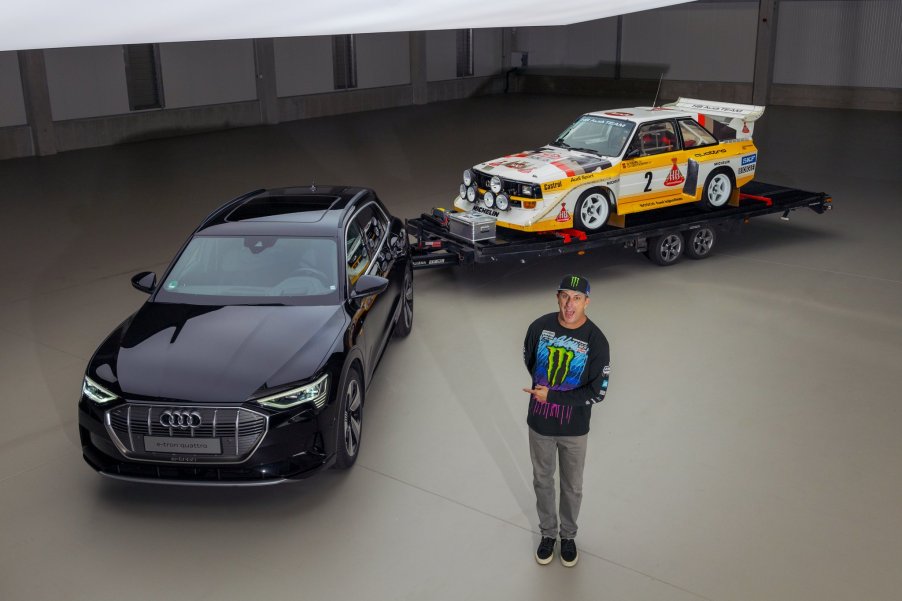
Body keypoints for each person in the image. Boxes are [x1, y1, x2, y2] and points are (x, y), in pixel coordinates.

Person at [522, 274, 610, 567]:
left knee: (572, 487)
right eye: (565, 296)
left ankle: (568, 536)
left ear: (587, 302)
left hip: (574, 430)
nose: (570, 304)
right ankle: (548, 534)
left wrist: (552, 396)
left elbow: (598, 393)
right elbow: (530, 361)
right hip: (540, 425)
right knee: (542, 481)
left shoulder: (597, 341)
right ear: (557, 298)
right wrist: (545, 392)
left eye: (577, 298)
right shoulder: (539, 328)